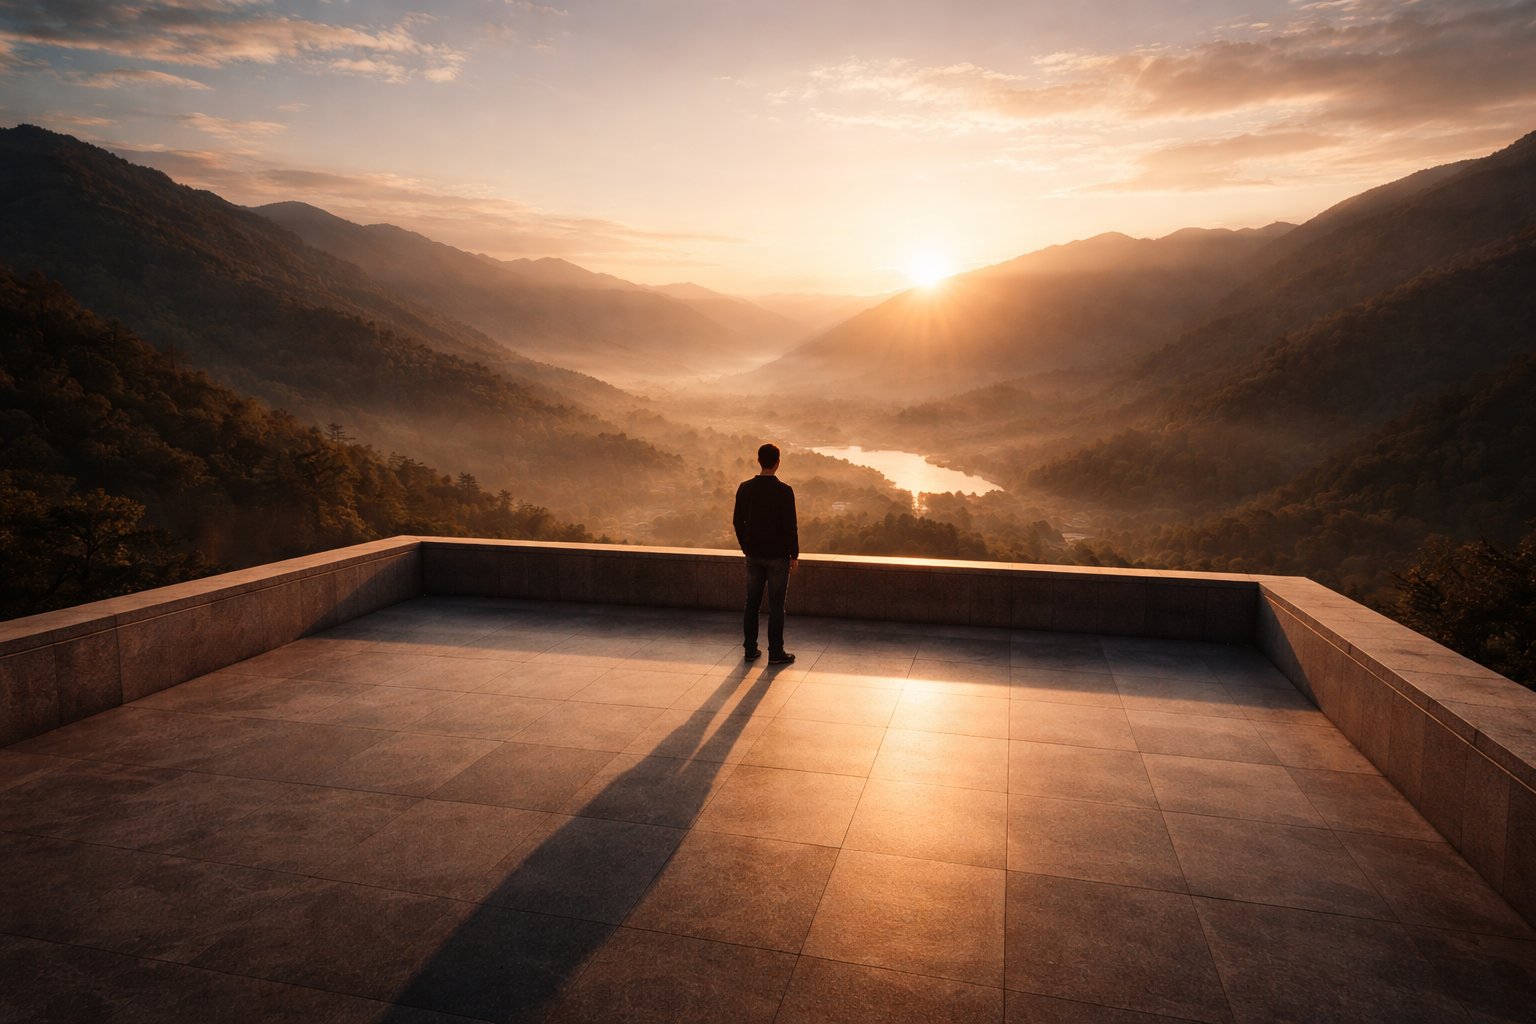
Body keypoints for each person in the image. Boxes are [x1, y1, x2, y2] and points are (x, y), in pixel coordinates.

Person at [733, 443, 799, 664]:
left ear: (759, 460)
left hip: (753, 555)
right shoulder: (784, 491)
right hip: (778, 556)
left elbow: (737, 522)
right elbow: (790, 526)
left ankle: (750, 649)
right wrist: (794, 554)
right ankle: (775, 652)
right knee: (776, 605)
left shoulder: (744, 488)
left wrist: (746, 547)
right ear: (778, 462)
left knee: (751, 602)